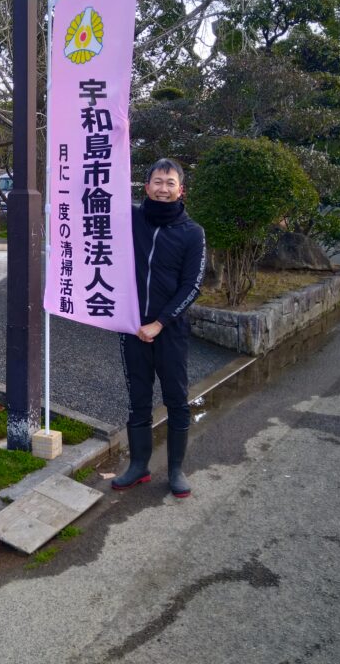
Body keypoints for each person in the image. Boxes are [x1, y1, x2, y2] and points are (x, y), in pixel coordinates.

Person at [112, 158, 206, 498]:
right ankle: (139, 466)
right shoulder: (131, 219)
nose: (163, 189)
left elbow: (192, 286)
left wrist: (159, 323)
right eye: (157, 182)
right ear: (147, 186)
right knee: (138, 399)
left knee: (176, 400)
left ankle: (176, 469)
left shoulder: (192, 233)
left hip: (170, 331)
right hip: (132, 328)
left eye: (170, 183)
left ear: (181, 190)